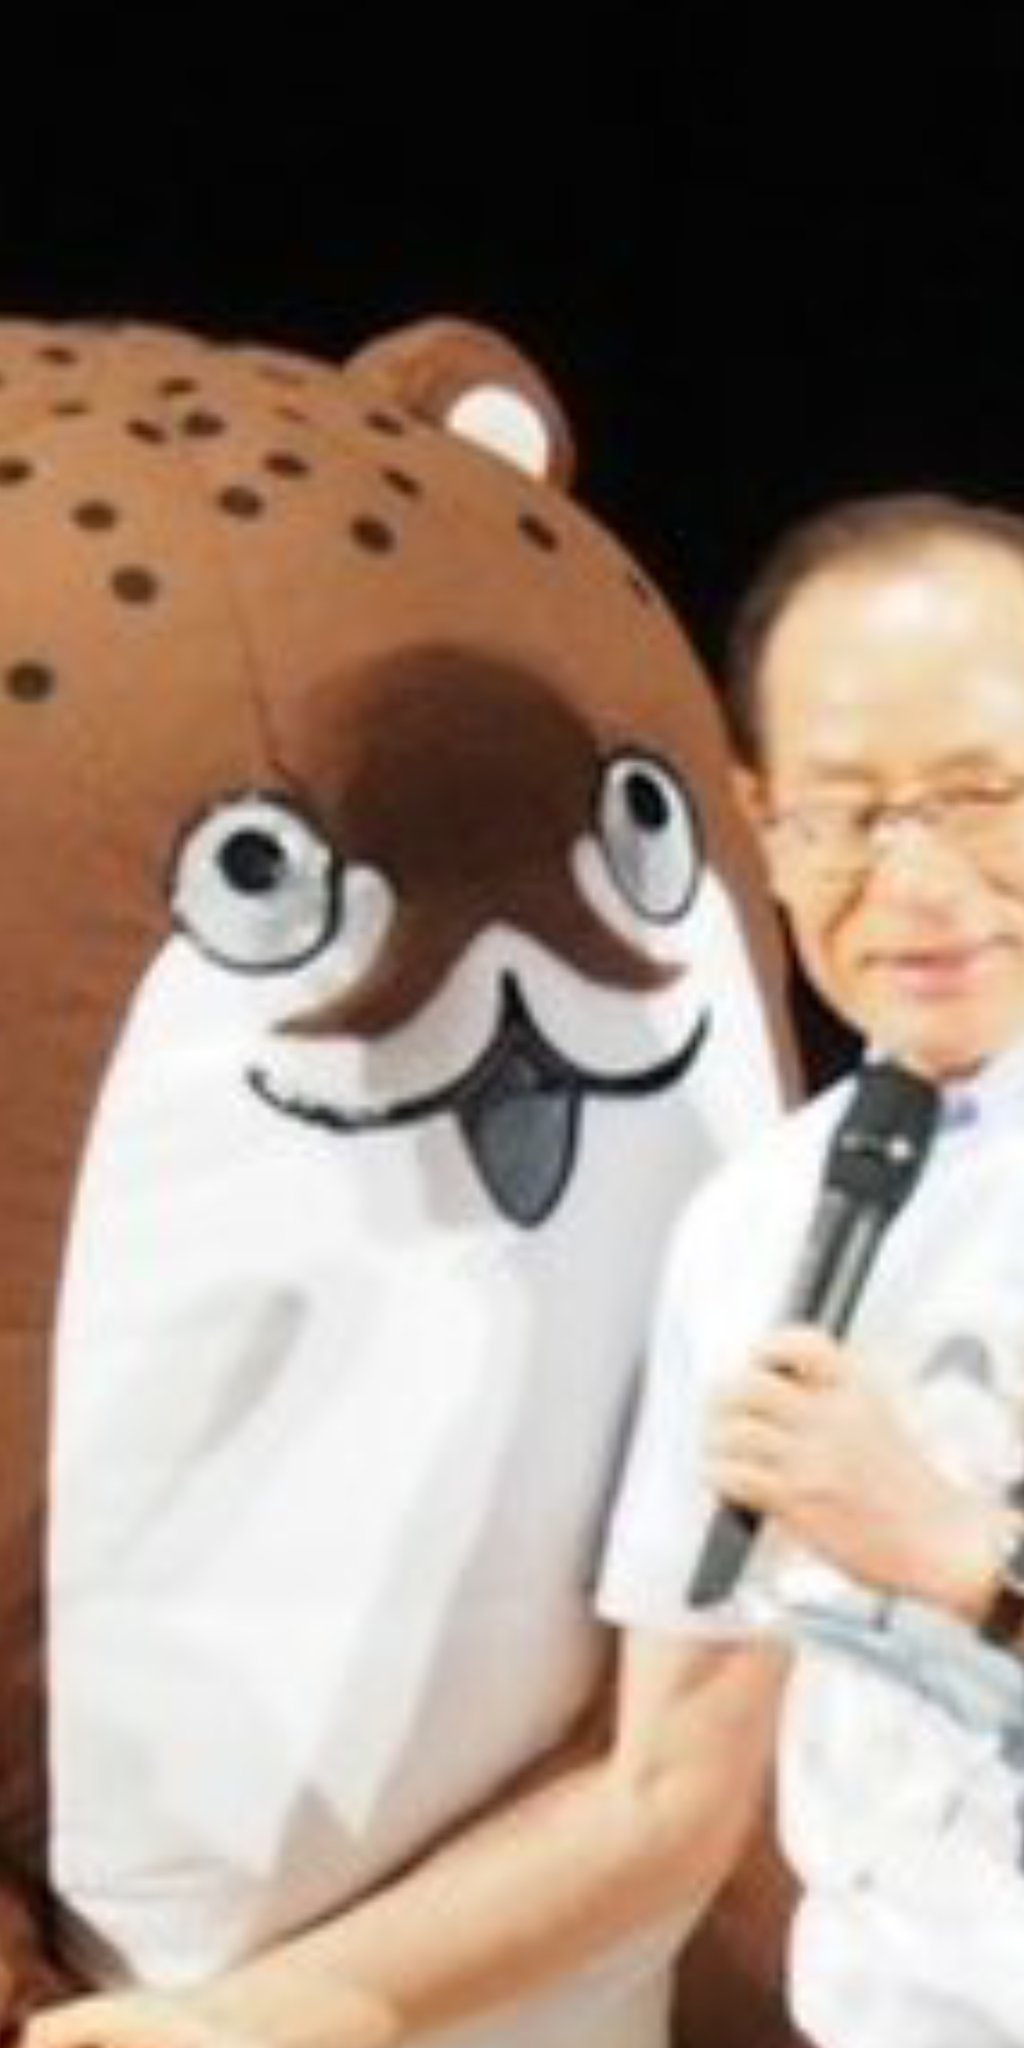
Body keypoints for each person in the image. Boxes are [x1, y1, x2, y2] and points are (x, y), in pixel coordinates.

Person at [32, 485, 1024, 2048]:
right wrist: (265, 2015)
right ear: (758, 827)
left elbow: (944, 1563)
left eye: (980, 797)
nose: (912, 879)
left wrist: (973, 1567)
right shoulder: (760, 1221)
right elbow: (664, 1790)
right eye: (844, 813)